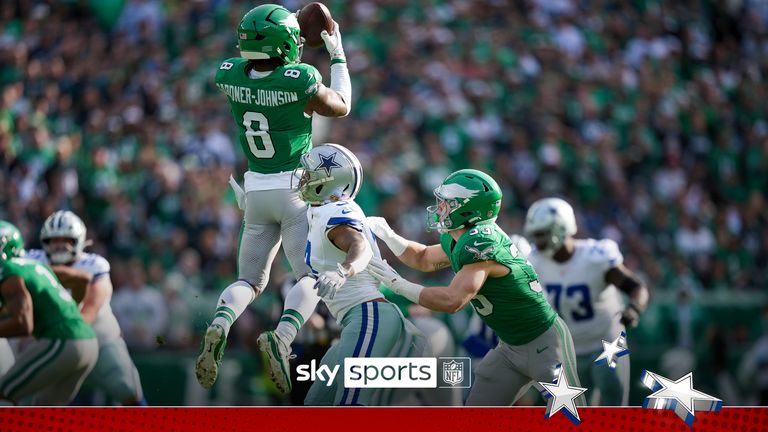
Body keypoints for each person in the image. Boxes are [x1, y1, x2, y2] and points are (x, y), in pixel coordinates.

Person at [196, 3, 352, 393]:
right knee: (310, 277)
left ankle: (220, 323)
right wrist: (338, 56)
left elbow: (260, 74)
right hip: (295, 190)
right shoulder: (299, 78)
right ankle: (282, 336)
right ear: (284, 45)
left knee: (248, 280)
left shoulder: (229, 72)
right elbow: (342, 105)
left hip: (255, 189)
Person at [367, 169, 583, 406]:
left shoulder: (481, 244)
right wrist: (389, 236)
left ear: (468, 209)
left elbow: (453, 300)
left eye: (447, 203)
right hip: (510, 348)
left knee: (572, 418)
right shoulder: (462, 236)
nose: (440, 209)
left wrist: (398, 285)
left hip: (544, 343)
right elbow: (424, 258)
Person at [295, 143, 425, 405]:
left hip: (369, 315)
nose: (303, 178)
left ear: (329, 183)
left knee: (351, 404)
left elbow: (360, 246)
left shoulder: (336, 213)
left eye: (310, 174)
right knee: (314, 406)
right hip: (356, 321)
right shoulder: (322, 208)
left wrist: (344, 270)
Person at [523, 197, 650, 405]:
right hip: (566, 350)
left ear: (560, 229)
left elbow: (637, 287)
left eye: (542, 234)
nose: (537, 241)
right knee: (572, 414)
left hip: (606, 343)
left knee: (613, 408)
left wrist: (634, 308)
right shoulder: (535, 261)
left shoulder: (595, 257)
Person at [26, 210, 146, 405]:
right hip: (51, 339)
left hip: (97, 337)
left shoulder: (94, 265)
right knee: (30, 399)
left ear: (79, 241)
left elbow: (91, 307)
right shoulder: (32, 260)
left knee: (127, 389)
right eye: (54, 240)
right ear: (44, 241)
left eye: (67, 239)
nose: (60, 245)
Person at [0, 221, 98, 405]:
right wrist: (72, 311)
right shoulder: (33, 266)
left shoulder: (8, 271)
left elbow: (23, 324)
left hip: (62, 340)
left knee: (3, 393)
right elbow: (82, 278)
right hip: (89, 342)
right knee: (44, 413)